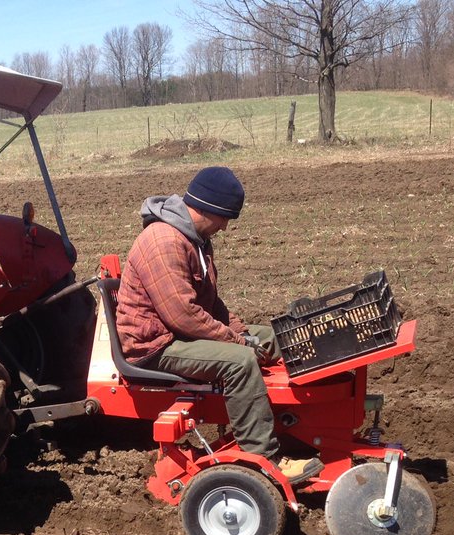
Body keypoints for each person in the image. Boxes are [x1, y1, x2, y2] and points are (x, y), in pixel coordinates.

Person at [116, 166, 323, 484]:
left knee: (274, 336)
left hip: (181, 334)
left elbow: (211, 305)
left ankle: (310, 422)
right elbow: (182, 315)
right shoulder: (163, 241)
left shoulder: (195, 240)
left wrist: (241, 332)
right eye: (224, 218)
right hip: (155, 345)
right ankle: (265, 460)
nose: (225, 227)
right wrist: (239, 344)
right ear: (204, 207)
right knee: (240, 362)